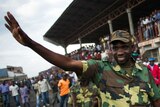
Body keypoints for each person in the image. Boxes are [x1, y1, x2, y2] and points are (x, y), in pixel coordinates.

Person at [4, 12, 160, 106]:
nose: (120, 51)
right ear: (110, 49)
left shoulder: (144, 72)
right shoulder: (101, 68)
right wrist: (30, 43)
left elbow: (156, 101)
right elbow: (68, 63)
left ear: (132, 48)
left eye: (124, 47)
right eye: (115, 47)